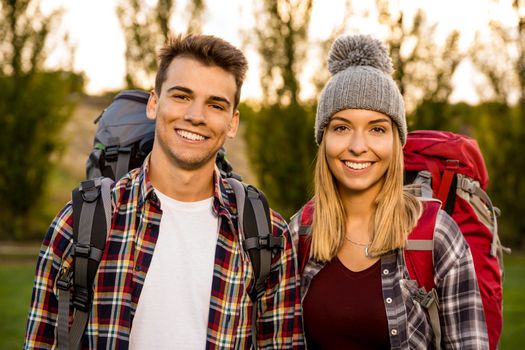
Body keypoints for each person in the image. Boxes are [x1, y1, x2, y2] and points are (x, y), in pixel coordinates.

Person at [24, 34, 303, 349]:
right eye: (182, 96)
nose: (196, 116)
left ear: (232, 122)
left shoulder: (266, 235)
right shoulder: (81, 222)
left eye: (215, 104)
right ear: (154, 103)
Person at [289, 34, 489, 349]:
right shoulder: (300, 231)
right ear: (323, 138)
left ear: (396, 143)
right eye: (341, 128)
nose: (357, 146)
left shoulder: (436, 235)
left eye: (377, 129)